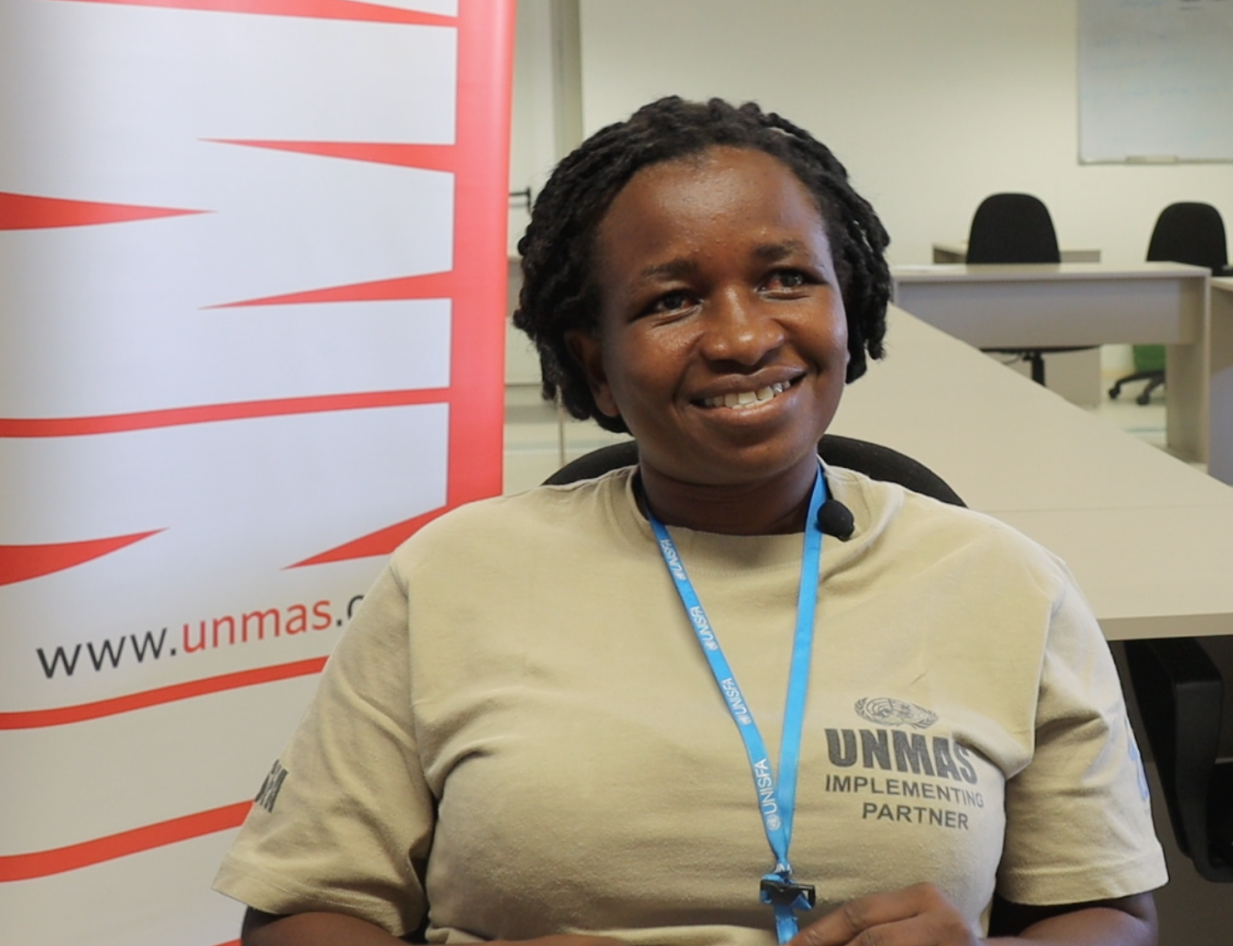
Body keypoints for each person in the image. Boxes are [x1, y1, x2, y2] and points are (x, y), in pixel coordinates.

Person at [214, 97, 1166, 946]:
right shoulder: (451, 576)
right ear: (595, 365)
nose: (744, 337)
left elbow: (1111, 914)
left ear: (849, 305)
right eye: (671, 300)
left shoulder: (1009, 584)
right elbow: (300, 909)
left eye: (786, 278)